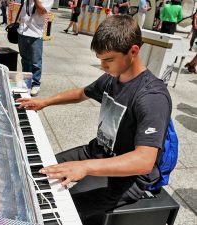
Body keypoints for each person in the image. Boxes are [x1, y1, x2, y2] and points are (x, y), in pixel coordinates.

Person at [17, 15, 172, 225]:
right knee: (37, 172)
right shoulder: (112, 77)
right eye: (100, 59)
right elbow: (82, 93)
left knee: (60, 206)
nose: (103, 66)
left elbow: (144, 161)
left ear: (133, 51)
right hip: (98, 151)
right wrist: (45, 102)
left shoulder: (152, 97)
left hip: (128, 177)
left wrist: (86, 168)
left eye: (108, 60)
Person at [17, 0, 54, 96]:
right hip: (22, 30)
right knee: (24, 59)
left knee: (36, 62)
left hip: (35, 33)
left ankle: (35, 83)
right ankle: (26, 80)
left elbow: (42, 11)